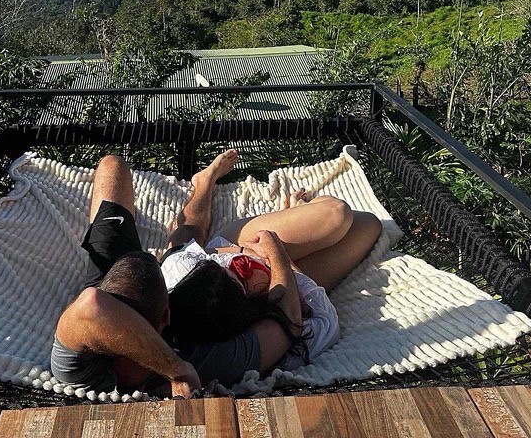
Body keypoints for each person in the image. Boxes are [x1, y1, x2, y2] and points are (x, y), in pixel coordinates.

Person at [160, 150, 383, 372]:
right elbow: (325, 325)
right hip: (278, 286)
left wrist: (244, 251)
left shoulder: (181, 272)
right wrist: (278, 257)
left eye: (223, 266)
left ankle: (204, 181)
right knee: (368, 225)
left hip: (242, 244)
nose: (237, 267)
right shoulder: (249, 345)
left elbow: (192, 240)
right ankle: (293, 218)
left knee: (336, 215)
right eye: (239, 277)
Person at [51, 154, 200, 398]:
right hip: (117, 286)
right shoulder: (189, 348)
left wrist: (177, 372)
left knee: (112, 165)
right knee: (186, 242)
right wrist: (177, 369)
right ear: (167, 314)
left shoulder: (78, 368)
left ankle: (204, 182)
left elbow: (91, 303)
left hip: (115, 275)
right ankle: (204, 182)